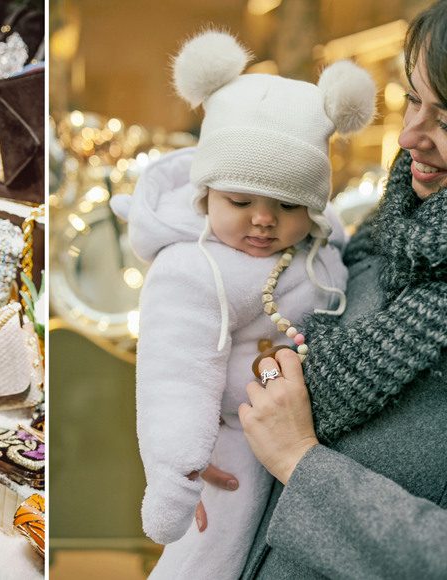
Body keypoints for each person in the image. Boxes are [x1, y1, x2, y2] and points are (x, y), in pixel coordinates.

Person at [109, 30, 375, 580]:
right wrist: (176, 470)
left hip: (311, 455)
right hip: (229, 448)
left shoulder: (319, 248)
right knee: (211, 559)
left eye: (287, 203)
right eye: (239, 200)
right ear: (204, 195)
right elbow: (176, 371)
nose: (263, 219)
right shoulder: (193, 267)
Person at [236, 3, 447, 578]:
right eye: (412, 98)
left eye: (446, 119)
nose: (409, 135)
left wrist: (298, 461)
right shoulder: (384, 239)